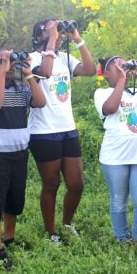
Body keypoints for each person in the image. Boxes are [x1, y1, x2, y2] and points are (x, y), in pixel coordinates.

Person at [28, 19, 96, 243]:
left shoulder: (65, 58)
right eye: (52, 28)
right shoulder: (33, 58)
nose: (59, 32)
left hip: (68, 129)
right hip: (43, 131)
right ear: (40, 34)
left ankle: (67, 223)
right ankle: (52, 232)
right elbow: (45, 73)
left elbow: (90, 70)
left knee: (77, 184)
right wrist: (53, 38)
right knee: (52, 184)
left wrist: (77, 39)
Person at [0, 49, 45, 268]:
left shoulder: (21, 88)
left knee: (15, 198)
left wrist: (28, 74)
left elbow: (40, 101)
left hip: (19, 152)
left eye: (10, 61)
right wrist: (1, 75)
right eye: (2, 61)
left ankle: (9, 238)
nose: (8, 65)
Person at [94, 56, 137, 249]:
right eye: (118, 67)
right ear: (107, 73)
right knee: (119, 200)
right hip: (114, 156)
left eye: (125, 65)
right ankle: (122, 239)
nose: (123, 69)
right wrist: (122, 81)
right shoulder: (102, 92)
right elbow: (110, 108)